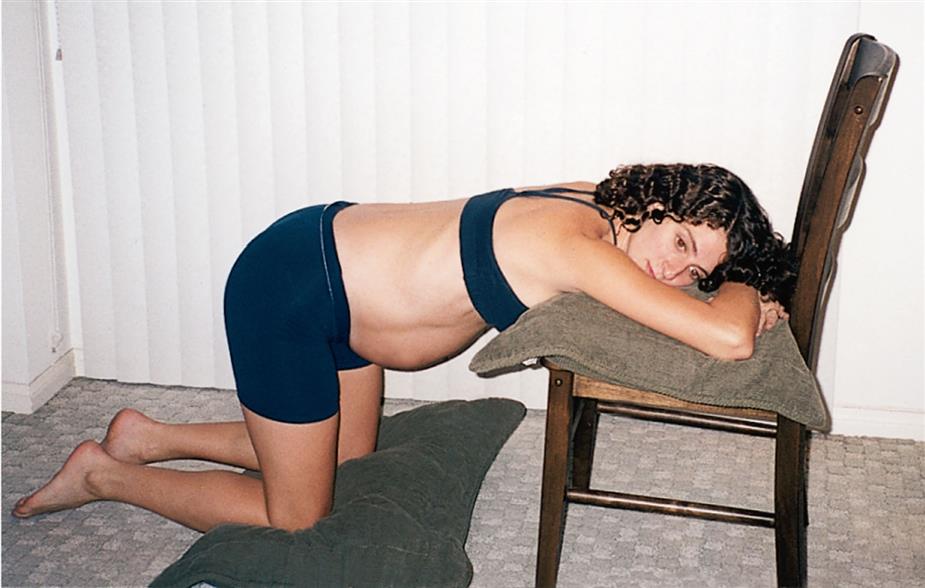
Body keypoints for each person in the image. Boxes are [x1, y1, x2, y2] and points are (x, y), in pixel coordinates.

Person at [13, 163, 795, 533]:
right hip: (293, 293)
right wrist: (748, 293)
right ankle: (104, 475)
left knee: (352, 453)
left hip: (333, 267)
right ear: (658, 204)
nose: (674, 274)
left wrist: (722, 273)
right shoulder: (575, 245)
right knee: (296, 514)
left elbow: (686, 307)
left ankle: (149, 435)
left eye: (696, 272)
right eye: (681, 242)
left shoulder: (602, 200)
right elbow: (725, 336)